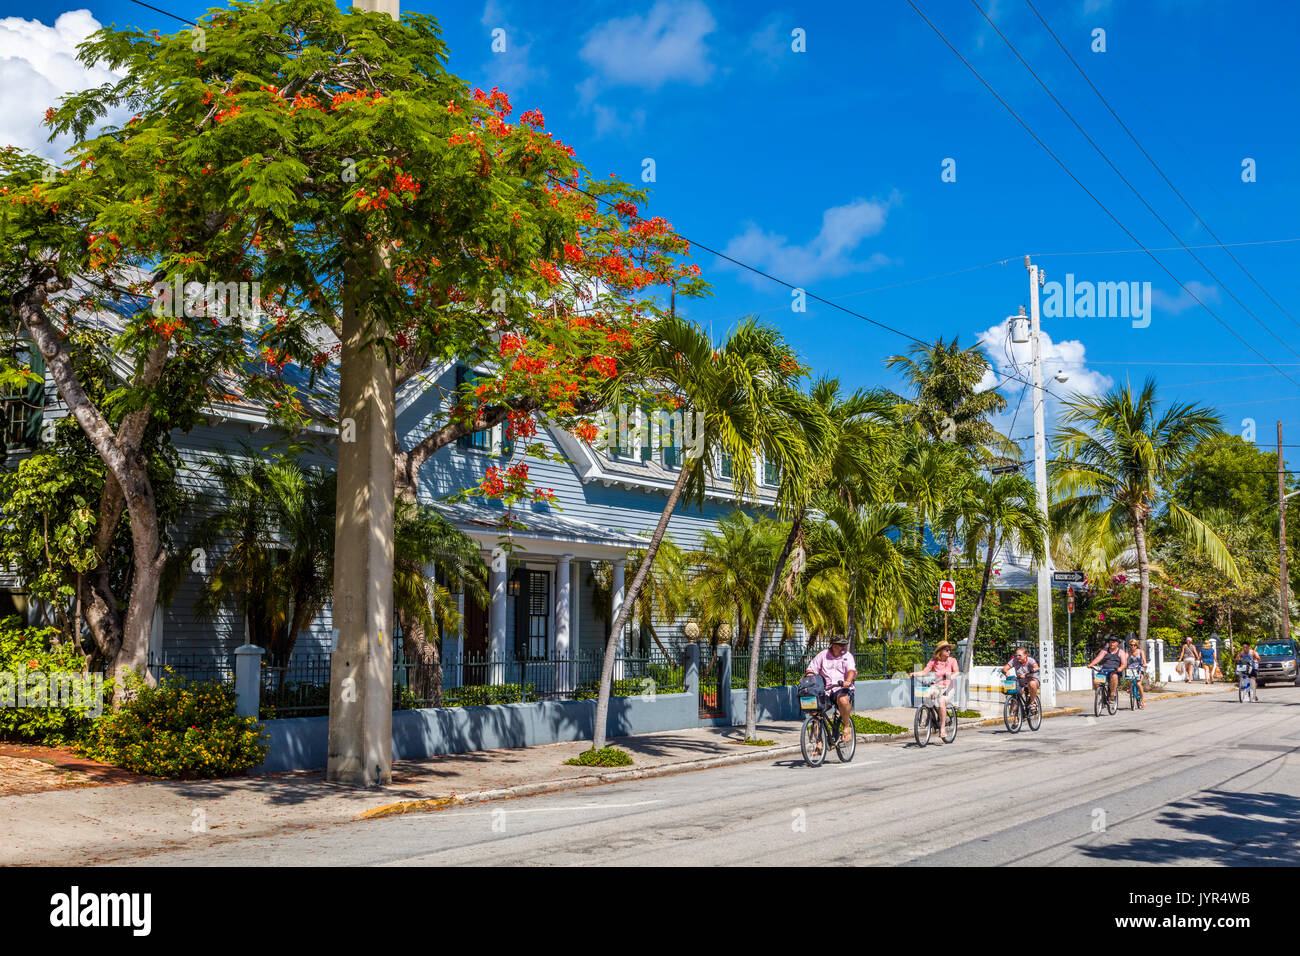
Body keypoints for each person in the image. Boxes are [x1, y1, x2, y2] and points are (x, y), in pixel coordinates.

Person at [805, 636, 857, 746]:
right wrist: (809, 676)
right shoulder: (823, 655)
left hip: (842, 688)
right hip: (826, 690)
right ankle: (819, 743)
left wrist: (848, 680)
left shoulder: (847, 656)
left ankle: (847, 726)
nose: (844, 647)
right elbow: (811, 668)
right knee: (816, 712)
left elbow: (851, 670)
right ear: (833, 646)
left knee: (842, 700)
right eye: (841, 645)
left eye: (844, 644)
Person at [910, 641, 959, 741]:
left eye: (949, 650)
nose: (949, 651)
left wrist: (950, 677)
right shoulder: (933, 661)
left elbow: (956, 672)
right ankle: (930, 717)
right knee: (928, 695)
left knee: (941, 700)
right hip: (937, 686)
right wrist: (914, 673)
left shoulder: (952, 661)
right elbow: (924, 672)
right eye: (946, 650)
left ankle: (942, 729)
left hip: (948, 687)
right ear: (940, 651)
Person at [1087, 635, 1128, 704]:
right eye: (1110, 642)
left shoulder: (1121, 652)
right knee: (1096, 682)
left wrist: (1120, 668)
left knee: (1114, 676)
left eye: (1113, 642)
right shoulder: (1105, 650)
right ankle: (1102, 696)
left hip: (1115, 671)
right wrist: (1091, 664)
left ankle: (1112, 695)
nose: (1112, 644)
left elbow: (1124, 664)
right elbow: (1098, 658)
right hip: (1104, 671)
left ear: (1117, 643)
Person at [1000, 646, 1040, 711]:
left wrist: (1027, 674)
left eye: (1019, 655)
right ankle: (1016, 717)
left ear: (1025, 655)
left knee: (1031, 683)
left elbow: (1036, 668)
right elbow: (1004, 668)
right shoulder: (1014, 660)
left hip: (1033, 680)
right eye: (1016, 655)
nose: (1017, 657)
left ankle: (1032, 703)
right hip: (1020, 681)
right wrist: (1006, 672)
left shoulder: (1030, 660)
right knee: (1014, 694)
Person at [1127, 638, 1148, 709]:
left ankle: (1142, 700)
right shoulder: (1128, 652)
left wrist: (1145, 664)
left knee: (1139, 683)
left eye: (1134, 645)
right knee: (1130, 679)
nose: (1133, 646)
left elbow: (1144, 660)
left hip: (1140, 668)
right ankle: (1131, 688)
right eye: (1131, 645)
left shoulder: (1141, 651)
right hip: (1131, 669)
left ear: (1137, 645)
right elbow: (1124, 658)